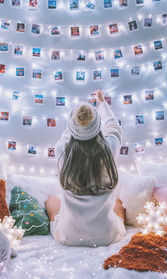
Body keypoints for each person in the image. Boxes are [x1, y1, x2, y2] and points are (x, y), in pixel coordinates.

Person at [46, 89, 126, 247]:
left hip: (69, 236)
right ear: (97, 127)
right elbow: (114, 127)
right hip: (107, 234)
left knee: (51, 202)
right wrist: (101, 103)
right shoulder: (109, 148)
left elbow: (68, 134)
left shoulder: (62, 150)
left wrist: (77, 121)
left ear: (72, 127)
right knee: (118, 204)